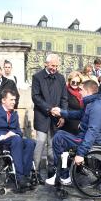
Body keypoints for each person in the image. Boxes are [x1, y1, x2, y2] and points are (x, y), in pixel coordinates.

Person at [46, 80, 101, 185]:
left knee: (59, 137)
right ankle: (62, 173)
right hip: (83, 135)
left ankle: (63, 175)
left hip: (91, 140)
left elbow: (92, 131)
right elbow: (78, 114)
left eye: (82, 90)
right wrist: (61, 112)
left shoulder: (97, 106)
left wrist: (80, 153)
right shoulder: (91, 103)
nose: (80, 92)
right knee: (60, 137)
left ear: (89, 91)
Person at [0, 90, 35, 192]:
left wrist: (15, 134)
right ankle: (19, 177)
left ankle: (25, 176)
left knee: (30, 142)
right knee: (17, 140)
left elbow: (18, 131)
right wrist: (3, 136)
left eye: (15, 100)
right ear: (3, 100)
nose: (14, 102)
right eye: (11, 100)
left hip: (13, 140)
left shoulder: (14, 114)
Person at [31, 53, 68, 183]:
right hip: (42, 116)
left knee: (53, 145)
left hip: (56, 117)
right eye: (52, 65)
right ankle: (34, 172)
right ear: (46, 64)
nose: (54, 68)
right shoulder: (37, 77)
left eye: (57, 66)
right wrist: (49, 109)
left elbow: (64, 98)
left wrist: (63, 114)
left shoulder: (61, 78)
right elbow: (36, 97)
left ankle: (51, 171)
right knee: (40, 142)